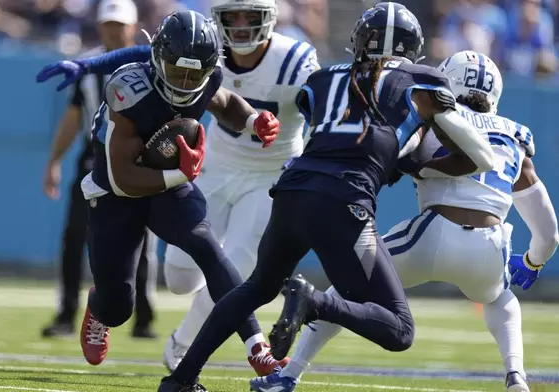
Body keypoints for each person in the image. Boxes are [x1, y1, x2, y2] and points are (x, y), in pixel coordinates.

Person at [157, 3, 496, 391]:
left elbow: (347, 131)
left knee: (255, 288)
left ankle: (180, 380)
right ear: (412, 48)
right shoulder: (421, 82)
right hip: (344, 203)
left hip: (292, 192)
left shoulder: (325, 79)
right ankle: (314, 302)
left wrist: (397, 154)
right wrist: (425, 154)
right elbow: (479, 157)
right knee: (399, 329)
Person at [36, 0, 319, 372]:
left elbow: (224, 101)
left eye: (194, 74)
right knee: (120, 305)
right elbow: (123, 178)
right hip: (117, 193)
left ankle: (256, 346)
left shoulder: (209, 74)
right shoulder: (128, 90)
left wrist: (252, 120)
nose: (185, 81)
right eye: (177, 70)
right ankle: (100, 307)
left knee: (211, 252)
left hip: (170, 184)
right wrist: (181, 174)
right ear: (157, 59)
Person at [255, 51, 559, 392]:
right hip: (490, 248)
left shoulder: (435, 116)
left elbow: (387, 153)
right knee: (501, 299)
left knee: (347, 287)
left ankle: (288, 374)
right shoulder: (515, 139)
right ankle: (515, 375)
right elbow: (549, 235)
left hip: (431, 235)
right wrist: (533, 262)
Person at [39, 0, 158, 340]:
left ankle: (144, 315)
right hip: (95, 159)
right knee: (75, 236)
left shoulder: (149, 63)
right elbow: (73, 118)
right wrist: (54, 160)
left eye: (119, 24)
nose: (113, 29)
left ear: (132, 27)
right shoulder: (87, 67)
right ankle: (66, 312)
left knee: (142, 239)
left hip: (139, 159)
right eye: (108, 23)